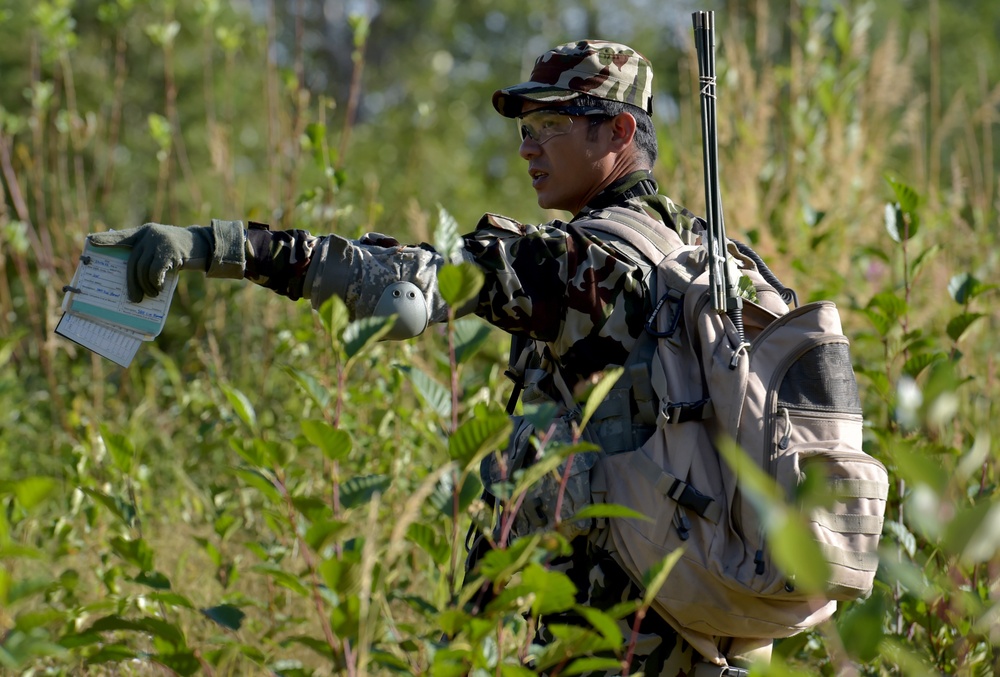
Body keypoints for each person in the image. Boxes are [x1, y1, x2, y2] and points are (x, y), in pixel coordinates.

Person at [89, 40, 709, 676]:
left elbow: (402, 286)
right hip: (704, 616)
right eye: (526, 128)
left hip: (603, 632)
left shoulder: (580, 262)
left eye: (551, 124)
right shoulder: (710, 257)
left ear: (621, 129)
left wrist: (210, 245)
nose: (528, 147)